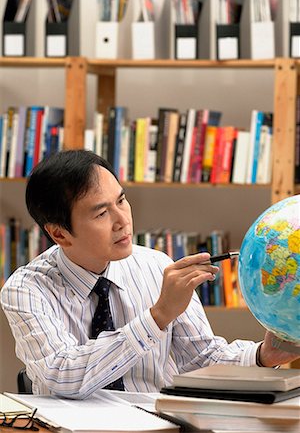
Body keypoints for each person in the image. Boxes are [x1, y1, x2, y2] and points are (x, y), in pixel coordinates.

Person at [1, 150, 299, 399]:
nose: (122, 220)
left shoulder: (157, 266)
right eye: (102, 213)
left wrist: (262, 356)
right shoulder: (26, 288)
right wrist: (157, 317)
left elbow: (201, 359)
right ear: (59, 234)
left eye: (121, 200)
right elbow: (61, 376)